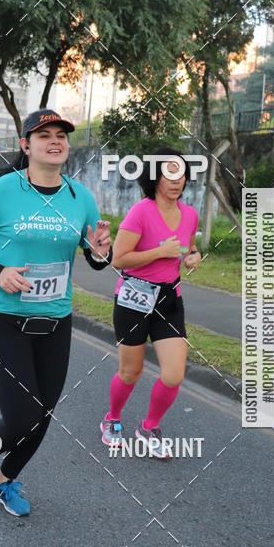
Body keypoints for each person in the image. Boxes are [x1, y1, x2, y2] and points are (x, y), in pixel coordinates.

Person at [0, 109, 112, 517]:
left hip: (55, 321)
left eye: (61, 135)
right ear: (26, 146)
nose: (55, 141)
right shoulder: (1, 192)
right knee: (22, 414)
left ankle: (6, 482)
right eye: (44, 135)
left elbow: (94, 258)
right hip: (1, 319)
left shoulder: (81, 198)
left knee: (43, 415)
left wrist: (101, 254)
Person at [101, 148, 201, 459]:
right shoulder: (140, 212)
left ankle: (149, 427)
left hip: (169, 299)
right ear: (154, 178)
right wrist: (159, 252)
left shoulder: (190, 214)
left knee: (174, 374)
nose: (176, 181)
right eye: (168, 174)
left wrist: (192, 257)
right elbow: (119, 258)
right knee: (131, 372)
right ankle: (112, 419)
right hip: (134, 298)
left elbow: (188, 249)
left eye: (180, 173)